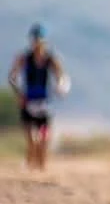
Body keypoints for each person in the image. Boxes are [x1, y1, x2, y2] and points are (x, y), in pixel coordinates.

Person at [7, 24, 70, 171]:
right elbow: (12, 77)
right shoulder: (24, 58)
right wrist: (19, 93)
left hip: (44, 105)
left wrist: (61, 87)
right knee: (31, 138)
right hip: (28, 102)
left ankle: (41, 167)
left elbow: (61, 76)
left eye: (39, 40)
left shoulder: (51, 59)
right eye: (35, 40)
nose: (37, 43)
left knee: (44, 139)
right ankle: (30, 164)